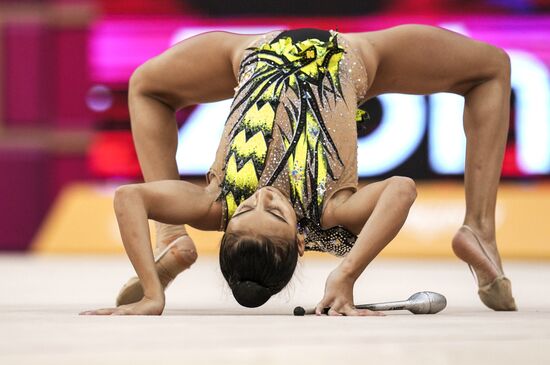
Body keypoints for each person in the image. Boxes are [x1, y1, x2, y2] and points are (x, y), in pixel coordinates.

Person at [80, 25, 517, 316]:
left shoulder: (213, 204)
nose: (264, 196)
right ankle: (477, 228)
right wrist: (345, 275)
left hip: (253, 51)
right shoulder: (330, 211)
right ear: (301, 239)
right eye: (275, 213)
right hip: (355, 55)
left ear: (227, 224)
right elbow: (401, 189)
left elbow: (128, 197)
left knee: (146, 86)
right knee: (490, 68)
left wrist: (152, 293)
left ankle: (172, 240)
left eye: (246, 208)